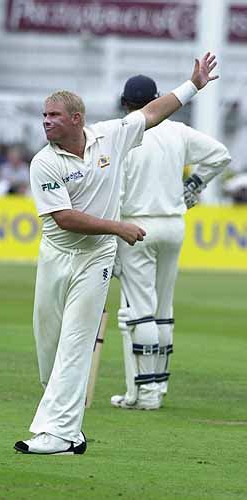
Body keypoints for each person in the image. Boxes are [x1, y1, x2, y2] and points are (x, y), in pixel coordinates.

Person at [14, 53, 219, 455]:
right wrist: (119, 226)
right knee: (49, 346)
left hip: (96, 258)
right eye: (44, 115)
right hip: (57, 256)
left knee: (76, 340)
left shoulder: (112, 135)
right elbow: (65, 219)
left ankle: (56, 434)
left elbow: (155, 111)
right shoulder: (44, 162)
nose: (46, 122)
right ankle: (69, 430)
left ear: (77, 119)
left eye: (54, 115)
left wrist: (192, 84)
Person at [110, 74, 231, 411]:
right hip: (173, 225)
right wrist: (193, 184)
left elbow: (116, 192)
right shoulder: (177, 131)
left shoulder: (122, 134)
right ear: (159, 98)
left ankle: (145, 394)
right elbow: (221, 155)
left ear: (124, 103)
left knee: (140, 311)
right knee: (163, 310)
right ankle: (158, 386)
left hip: (136, 226)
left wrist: (111, 236)